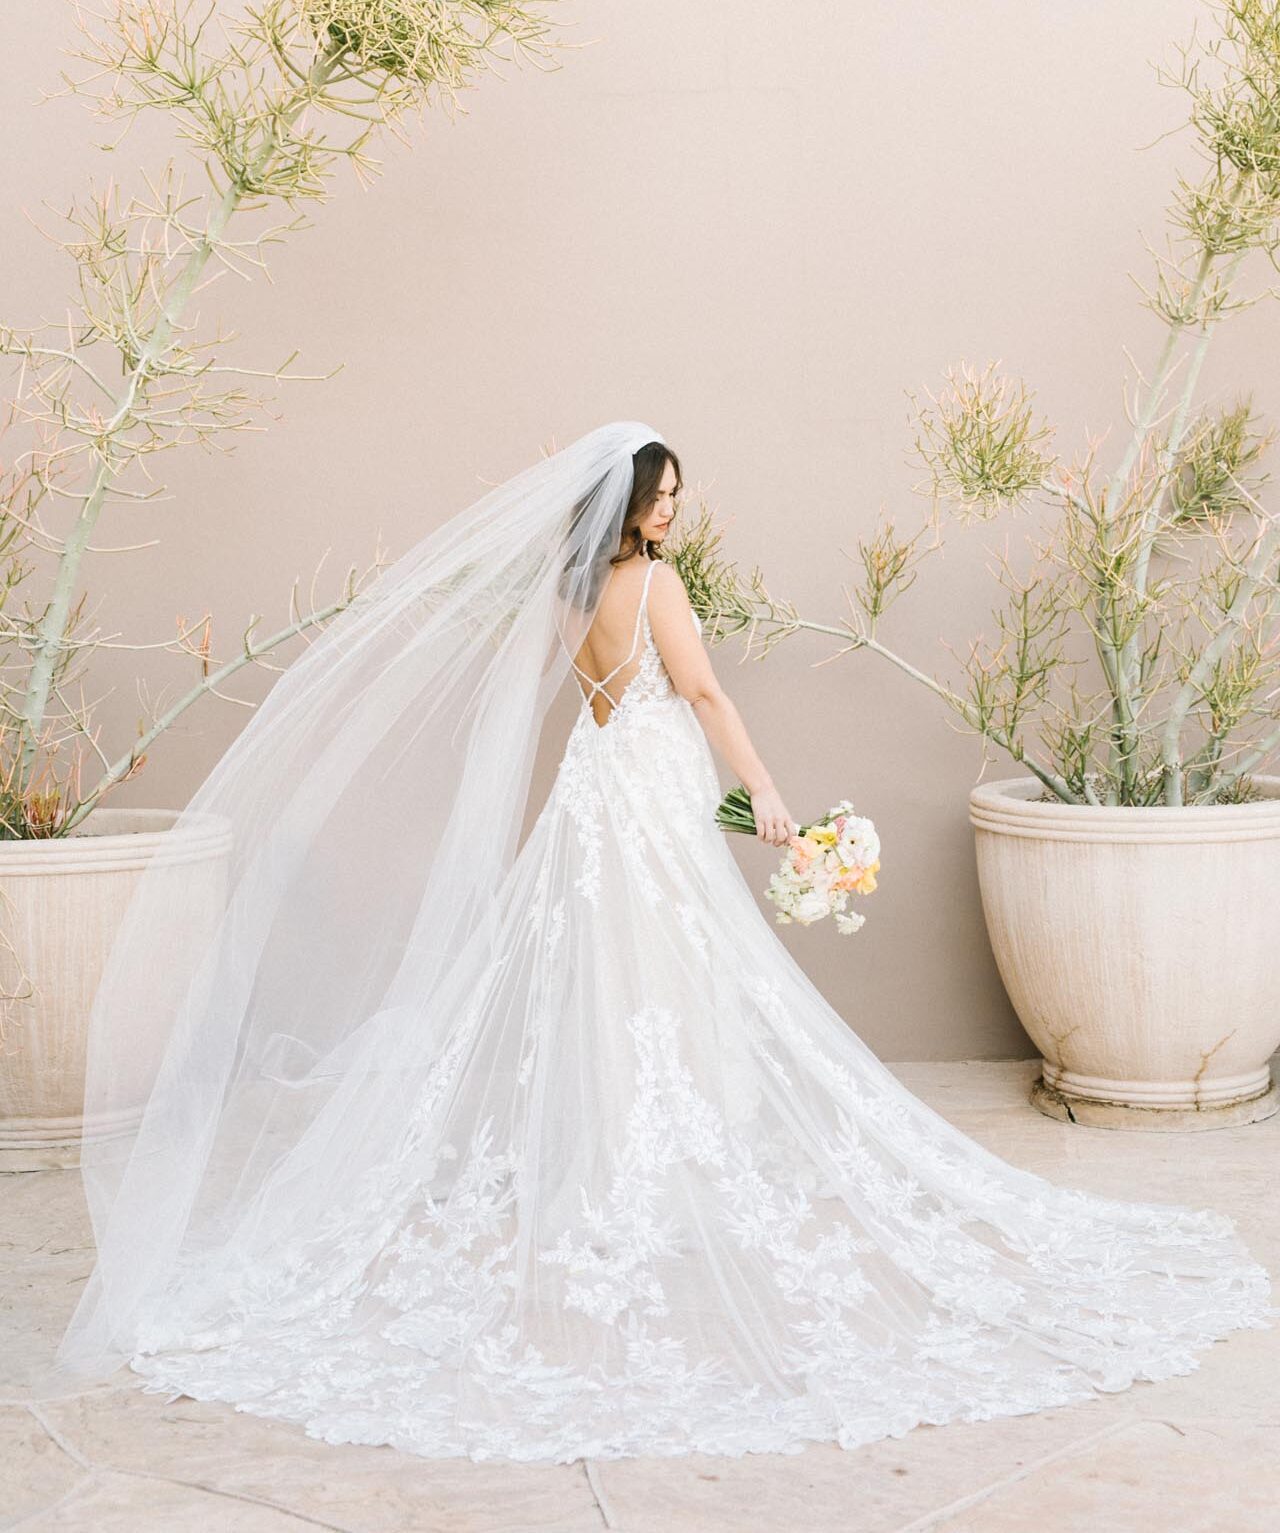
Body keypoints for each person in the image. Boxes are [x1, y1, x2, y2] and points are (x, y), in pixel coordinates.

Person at [40, 422, 1273, 1463]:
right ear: (625, 509)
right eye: (663, 498)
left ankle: (612, 1153)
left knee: (604, 965)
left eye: (678, 499)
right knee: (674, 964)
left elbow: (601, 700)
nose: (675, 515)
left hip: (595, 787)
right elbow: (704, 697)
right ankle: (659, 1160)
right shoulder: (653, 588)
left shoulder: (571, 595)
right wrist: (770, 797)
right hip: (649, 784)